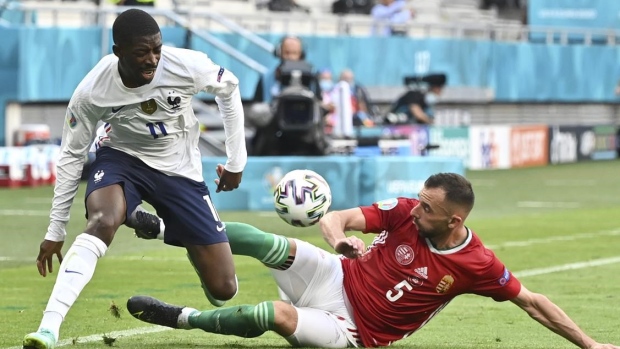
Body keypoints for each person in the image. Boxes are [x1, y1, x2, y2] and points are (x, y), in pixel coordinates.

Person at [126, 172, 619, 349]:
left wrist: (589, 343)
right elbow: (337, 218)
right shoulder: (406, 211)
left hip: (352, 328)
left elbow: (531, 301)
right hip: (338, 272)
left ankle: (182, 319)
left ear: (454, 220)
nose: (416, 207)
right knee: (261, 239)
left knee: (271, 316)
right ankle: (166, 229)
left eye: (429, 207)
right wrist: (339, 240)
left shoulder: (477, 264)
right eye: (421, 199)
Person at [22, 8, 247, 349]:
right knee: (102, 220)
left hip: (180, 169)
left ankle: (162, 228)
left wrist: (236, 161)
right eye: (142, 52)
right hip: (122, 159)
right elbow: (71, 155)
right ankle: (48, 329)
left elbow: (229, 88)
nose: (152, 59)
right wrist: (55, 231)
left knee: (224, 289)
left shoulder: (185, 65)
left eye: (157, 49)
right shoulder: (92, 92)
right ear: (118, 52)